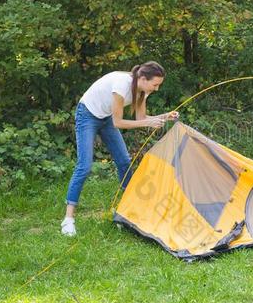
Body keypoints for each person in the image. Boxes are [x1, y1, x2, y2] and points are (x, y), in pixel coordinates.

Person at [61, 61, 179, 236]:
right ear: (143, 78)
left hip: (107, 118)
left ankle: (130, 210)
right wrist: (148, 122)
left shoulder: (142, 91)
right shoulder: (122, 85)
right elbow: (119, 123)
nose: (157, 89)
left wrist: (165, 116)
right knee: (84, 166)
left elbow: (141, 117)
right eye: (155, 84)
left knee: (124, 161)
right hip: (87, 115)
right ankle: (68, 219)